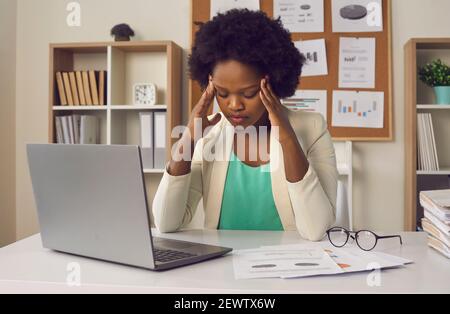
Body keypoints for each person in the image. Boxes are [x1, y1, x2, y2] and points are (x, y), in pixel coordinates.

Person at [152, 9, 338, 241]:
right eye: (221, 93)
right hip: (221, 270)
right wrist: (189, 138)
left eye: (249, 94)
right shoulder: (209, 138)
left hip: (288, 268)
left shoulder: (312, 129)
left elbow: (316, 229)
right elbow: (166, 223)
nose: (234, 105)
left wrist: (287, 138)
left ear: (273, 82)